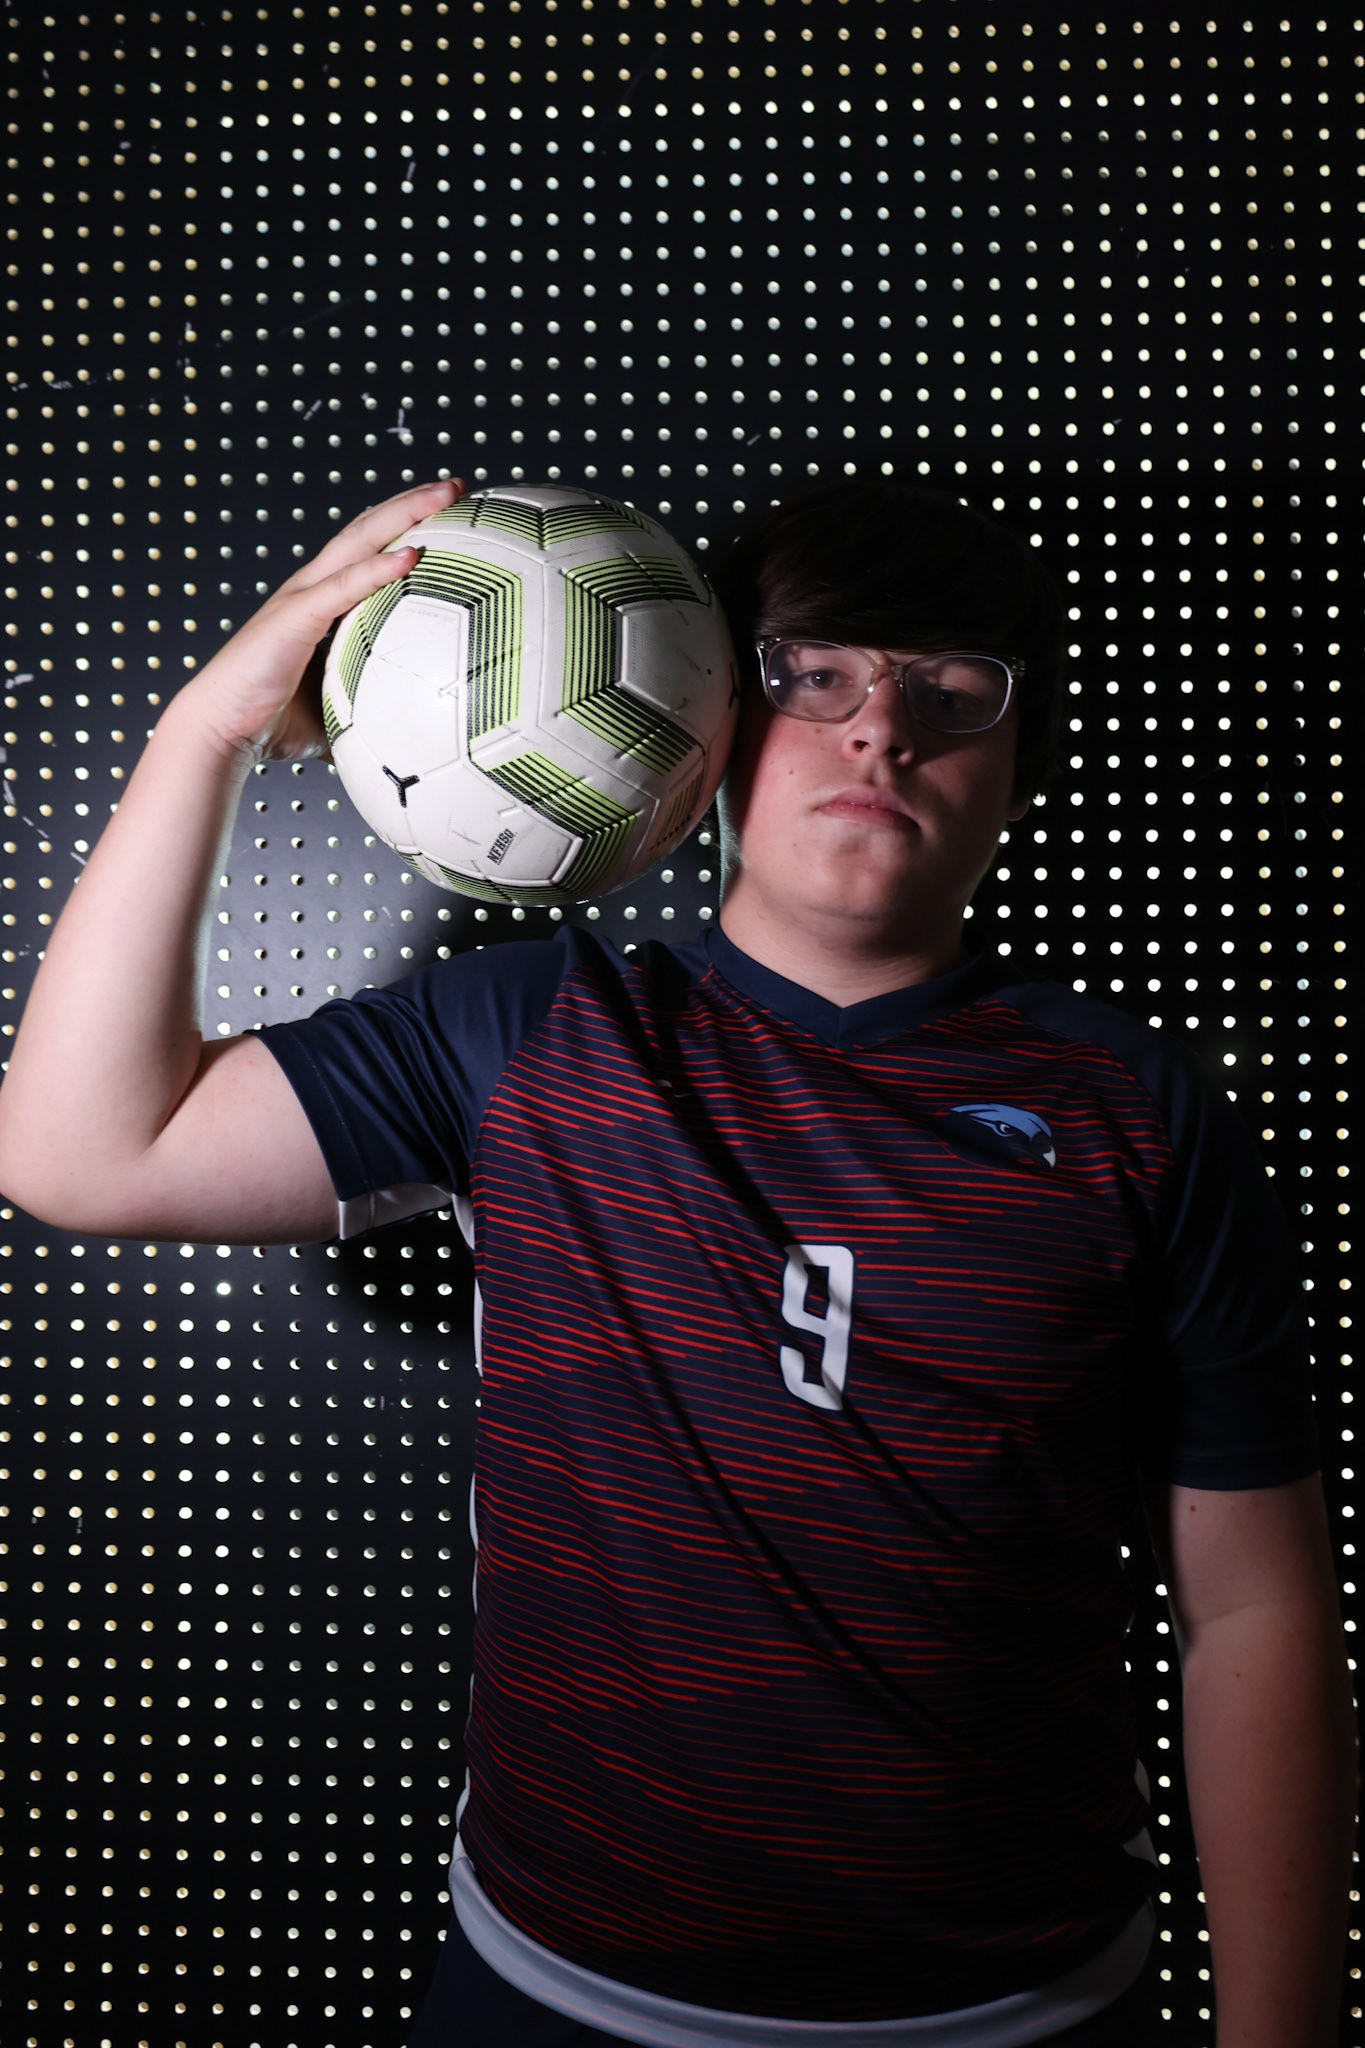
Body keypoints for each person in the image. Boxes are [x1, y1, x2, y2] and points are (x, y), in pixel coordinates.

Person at [0, 475, 1354, 2048]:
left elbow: (1253, 1609)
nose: (878, 730)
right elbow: (80, 1154)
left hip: (1020, 2004)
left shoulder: (1135, 1107)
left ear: (1013, 756)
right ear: (705, 717)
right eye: (817, 674)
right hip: (557, 1991)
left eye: (948, 688)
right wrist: (206, 732)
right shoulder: (528, 1031)